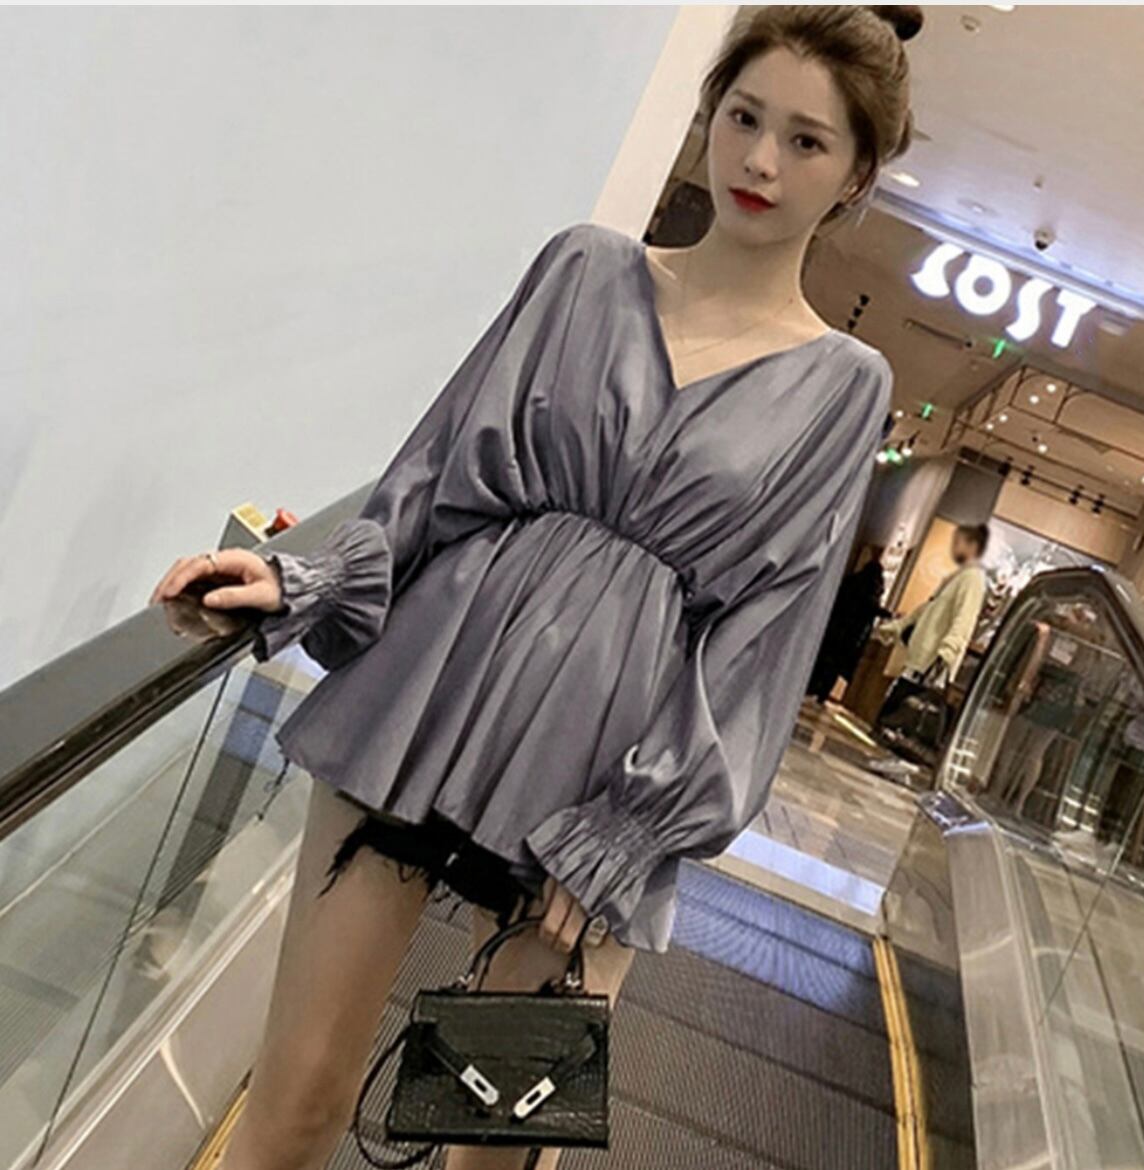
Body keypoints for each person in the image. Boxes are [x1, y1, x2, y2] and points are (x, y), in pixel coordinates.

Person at [148, 8, 920, 1169]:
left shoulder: (845, 386)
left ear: (855, 174)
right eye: (744, 117)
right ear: (711, 112)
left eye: (806, 141)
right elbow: (436, 479)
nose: (760, 161)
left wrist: (634, 828)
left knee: (488, 1150)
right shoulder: (583, 269)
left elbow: (762, 647)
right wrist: (304, 579)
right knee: (295, 1104)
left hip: (600, 791)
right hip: (422, 705)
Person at [868, 523, 988, 776]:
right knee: (902, 705)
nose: (955, 546)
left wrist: (948, 651)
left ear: (973, 545)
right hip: (921, 656)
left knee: (913, 710)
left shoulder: (972, 579)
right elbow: (927, 609)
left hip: (933, 660)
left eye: (960, 541)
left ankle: (905, 761)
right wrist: (897, 627)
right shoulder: (956, 577)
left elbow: (964, 618)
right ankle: (897, 756)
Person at [806, 545, 891, 705]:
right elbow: (871, 607)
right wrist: (888, 614)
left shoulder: (851, 581)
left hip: (835, 627)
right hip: (851, 635)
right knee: (836, 665)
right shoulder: (871, 589)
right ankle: (823, 693)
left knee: (824, 659)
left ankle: (811, 687)